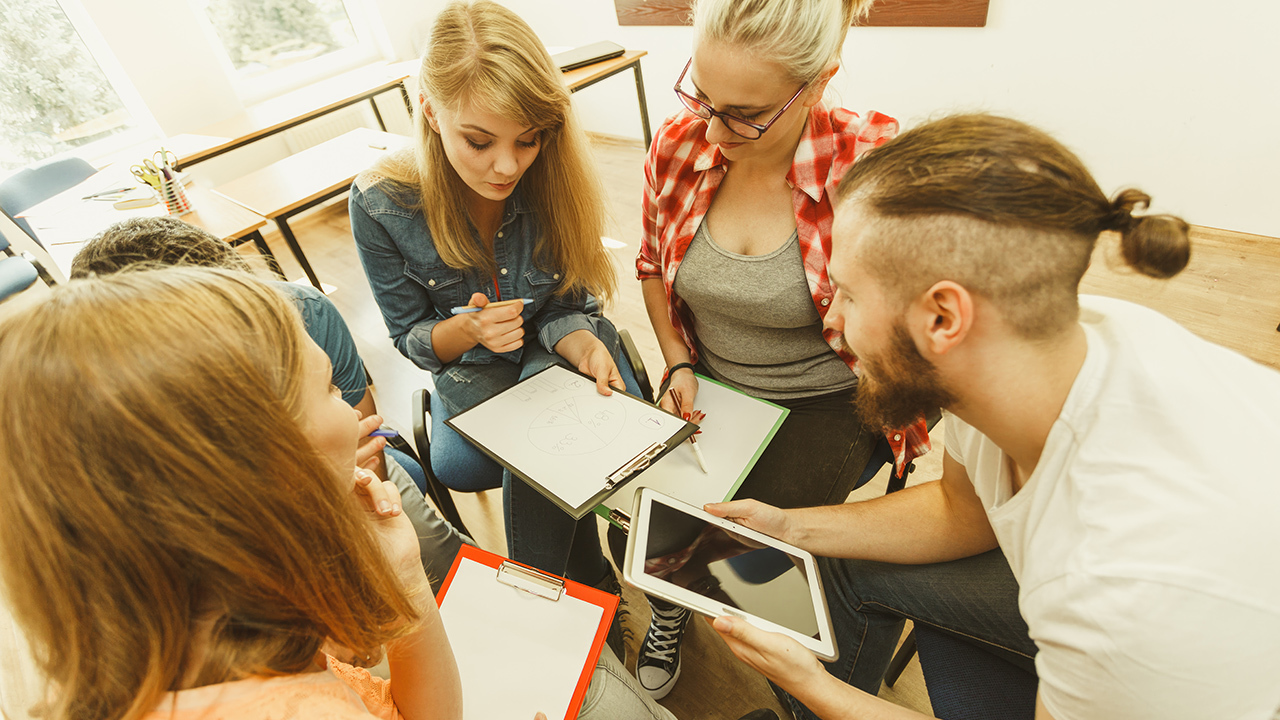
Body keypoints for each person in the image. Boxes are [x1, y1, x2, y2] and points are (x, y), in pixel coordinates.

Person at [705, 114, 1280, 719]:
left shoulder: (1116, 590)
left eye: (847, 293)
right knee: (829, 562)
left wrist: (815, 688)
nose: (836, 321)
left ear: (943, 319)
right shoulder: (1032, 348)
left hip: (1183, 649)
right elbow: (964, 510)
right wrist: (789, 528)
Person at [0, 267, 695, 720]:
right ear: (249, 474)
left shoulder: (193, 630)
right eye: (333, 390)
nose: (363, 415)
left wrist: (406, 586)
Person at [0, 268, 461, 720]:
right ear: (250, 474)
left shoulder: (167, 642)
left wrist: (405, 575)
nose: (351, 411)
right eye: (330, 388)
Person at [631, 0, 929, 698]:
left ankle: (795, 671)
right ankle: (676, 606)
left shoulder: (873, 165)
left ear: (818, 84)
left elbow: (917, 336)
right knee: (652, 515)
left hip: (832, 394)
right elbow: (649, 267)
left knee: (745, 548)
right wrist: (677, 361)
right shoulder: (680, 144)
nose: (712, 127)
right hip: (710, 377)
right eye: (702, 96)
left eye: (743, 112)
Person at [351, 0, 638, 591]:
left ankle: (570, 598)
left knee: (546, 428)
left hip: (551, 352)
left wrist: (579, 338)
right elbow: (410, 337)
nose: (506, 167)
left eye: (528, 141)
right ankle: (593, 580)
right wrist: (468, 332)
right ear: (429, 111)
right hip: (472, 371)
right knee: (551, 446)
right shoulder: (381, 202)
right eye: (478, 142)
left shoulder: (555, 177)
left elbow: (572, 301)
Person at [69, 216, 468, 588]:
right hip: (249, 533)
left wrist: (352, 487)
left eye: (329, 386)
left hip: (339, 483)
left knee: (453, 574)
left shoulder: (304, 314)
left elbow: (365, 446)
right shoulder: (116, 412)